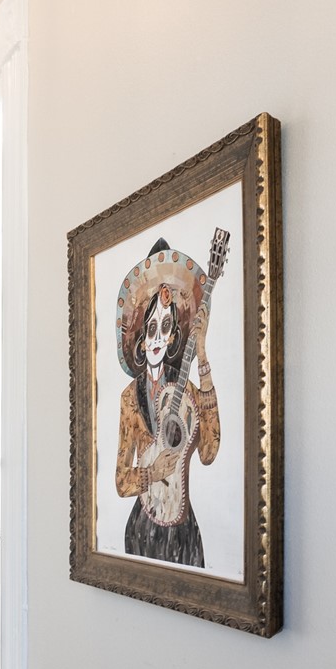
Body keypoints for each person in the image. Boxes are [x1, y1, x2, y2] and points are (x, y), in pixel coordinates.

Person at [112, 239, 220, 567]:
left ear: (174, 336)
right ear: (142, 338)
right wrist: (150, 473)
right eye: (153, 328)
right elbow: (120, 481)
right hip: (142, 529)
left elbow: (209, 452)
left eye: (166, 327)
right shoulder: (130, 399)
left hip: (183, 529)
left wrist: (202, 354)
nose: (158, 338)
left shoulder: (185, 390)